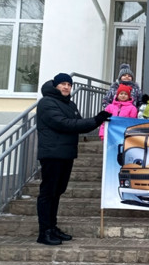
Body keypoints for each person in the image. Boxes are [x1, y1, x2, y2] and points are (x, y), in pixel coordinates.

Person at [36, 73, 112, 245]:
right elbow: (64, 123)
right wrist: (95, 119)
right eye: (63, 84)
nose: (66, 87)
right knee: (48, 193)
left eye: (69, 84)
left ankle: (52, 227)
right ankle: (44, 232)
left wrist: (99, 120)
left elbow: (79, 125)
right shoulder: (47, 102)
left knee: (57, 191)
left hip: (66, 153)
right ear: (55, 86)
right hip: (52, 154)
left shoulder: (70, 104)